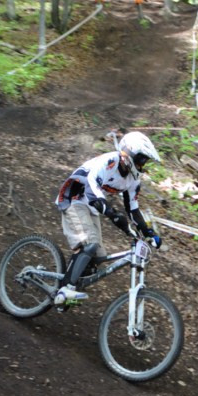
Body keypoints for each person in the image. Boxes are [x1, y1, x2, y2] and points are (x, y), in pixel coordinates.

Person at [53, 131, 162, 306]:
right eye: (141, 159)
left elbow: (133, 209)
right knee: (89, 244)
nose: (142, 164)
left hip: (91, 207)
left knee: (98, 257)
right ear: (128, 153)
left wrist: (148, 232)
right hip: (74, 198)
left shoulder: (133, 179)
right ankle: (65, 289)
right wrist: (112, 214)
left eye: (145, 161)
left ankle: (69, 285)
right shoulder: (109, 162)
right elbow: (92, 190)